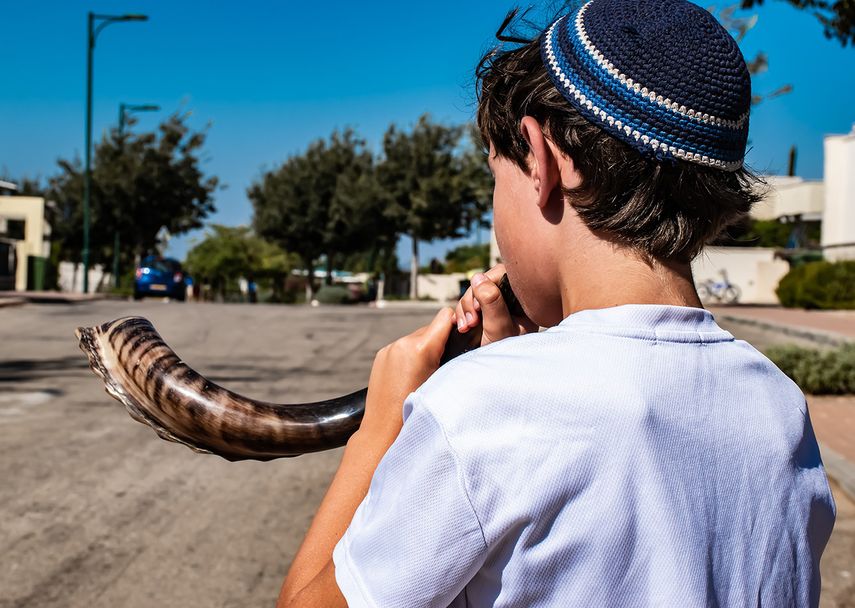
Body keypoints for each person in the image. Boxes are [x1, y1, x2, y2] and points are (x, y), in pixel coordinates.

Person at [276, 0, 836, 605]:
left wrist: (381, 427)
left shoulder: (480, 406)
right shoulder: (779, 407)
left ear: (539, 159)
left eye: (497, 175)